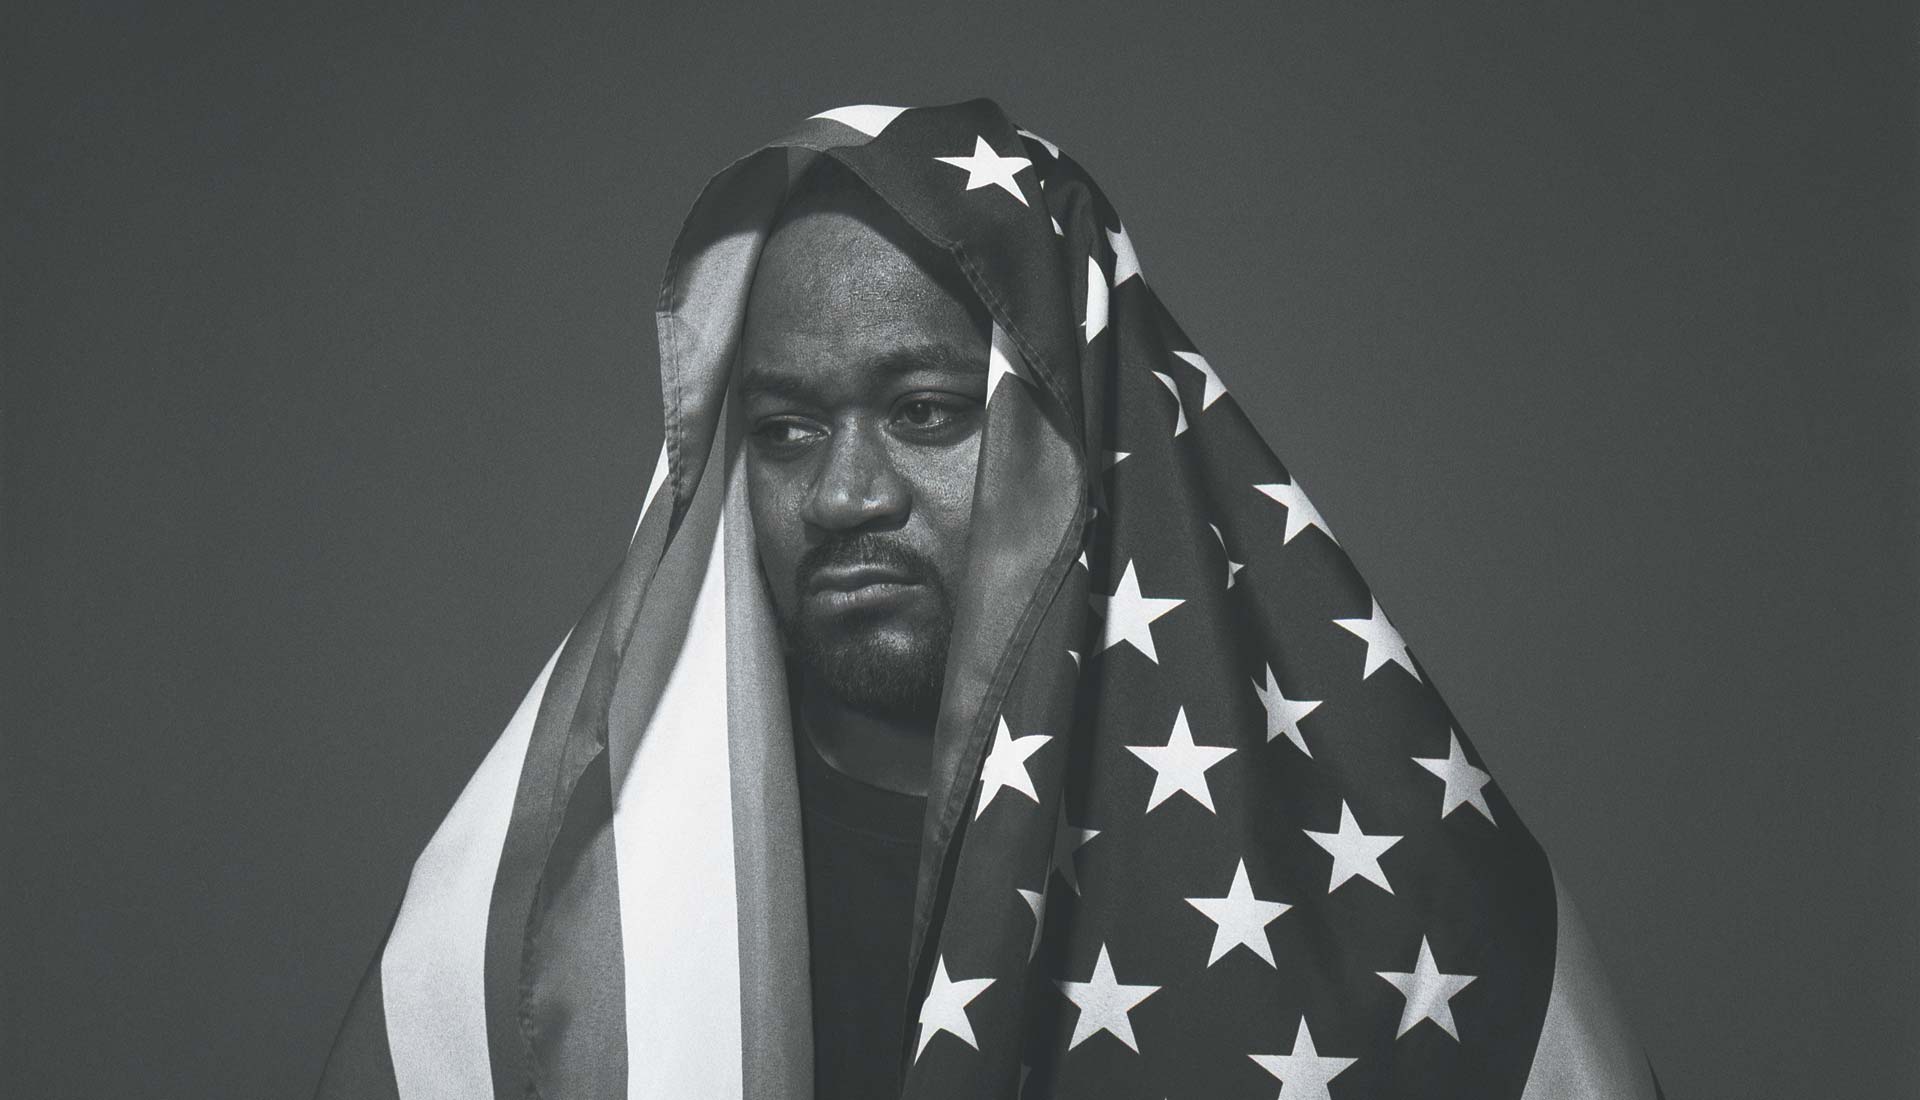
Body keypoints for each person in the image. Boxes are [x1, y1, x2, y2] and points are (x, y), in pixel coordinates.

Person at [317, 99, 1661, 1100]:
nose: (844, 494)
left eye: (924, 412)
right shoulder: (562, 908)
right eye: (783, 431)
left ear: (1074, 430)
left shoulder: (1385, 898)